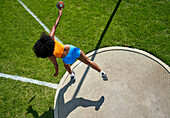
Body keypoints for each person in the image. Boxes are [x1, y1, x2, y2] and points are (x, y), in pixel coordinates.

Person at [33, 9, 108, 81]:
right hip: (73, 50)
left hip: (67, 59)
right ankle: (102, 72)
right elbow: (54, 26)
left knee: (66, 65)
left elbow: (56, 65)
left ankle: (72, 75)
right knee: (88, 61)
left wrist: (56, 72)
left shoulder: (50, 55)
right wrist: (59, 15)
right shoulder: (51, 38)